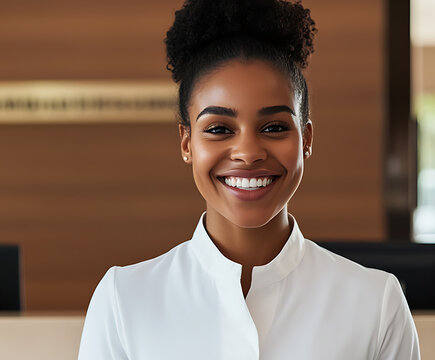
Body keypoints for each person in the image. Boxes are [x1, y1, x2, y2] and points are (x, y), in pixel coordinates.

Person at [77, 0, 421, 358]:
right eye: (219, 128)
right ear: (187, 143)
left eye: (273, 127)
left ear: (307, 140)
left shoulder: (375, 304)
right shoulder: (123, 300)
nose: (248, 152)